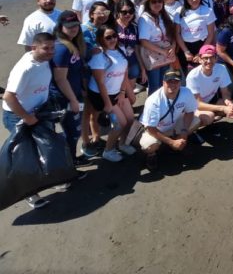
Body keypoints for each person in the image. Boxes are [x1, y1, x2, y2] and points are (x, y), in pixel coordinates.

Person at [2, 32, 57, 209]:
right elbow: (9, 97)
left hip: (39, 111)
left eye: (52, 48)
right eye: (46, 48)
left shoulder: (45, 60)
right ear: (34, 48)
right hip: (18, 115)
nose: (50, 52)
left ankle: (53, 179)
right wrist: (26, 117)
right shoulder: (25, 67)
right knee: (26, 156)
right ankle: (30, 194)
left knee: (46, 148)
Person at [86, 25, 135, 162]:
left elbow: (125, 73)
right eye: (108, 37)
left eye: (114, 35)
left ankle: (122, 144)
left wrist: (123, 92)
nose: (113, 39)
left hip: (118, 91)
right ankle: (108, 150)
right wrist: (107, 103)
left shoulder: (121, 49)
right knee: (120, 124)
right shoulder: (99, 56)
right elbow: (100, 83)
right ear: (101, 40)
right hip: (102, 95)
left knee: (130, 119)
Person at [139, 69, 201, 171]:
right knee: (148, 146)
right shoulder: (153, 100)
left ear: (180, 83)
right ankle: (152, 155)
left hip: (173, 123)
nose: (173, 84)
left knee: (196, 121)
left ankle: (179, 141)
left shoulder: (186, 92)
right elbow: (151, 128)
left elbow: (190, 112)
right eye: (169, 81)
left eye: (176, 81)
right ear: (163, 83)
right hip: (156, 129)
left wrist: (184, 133)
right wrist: (171, 142)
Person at [50, 11, 88, 164]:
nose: (73, 29)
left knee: (74, 131)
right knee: (71, 132)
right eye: (69, 26)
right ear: (60, 27)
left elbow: (76, 71)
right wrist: (72, 100)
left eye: (76, 25)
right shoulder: (61, 48)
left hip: (75, 93)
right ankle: (67, 164)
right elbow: (60, 79)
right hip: (64, 97)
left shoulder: (73, 43)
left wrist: (82, 90)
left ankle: (71, 159)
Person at [186, 45, 233, 126]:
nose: (209, 61)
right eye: (205, 58)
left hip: (211, 101)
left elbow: (225, 92)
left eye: (211, 57)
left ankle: (215, 113)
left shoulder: (221, 68)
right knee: (209, 117)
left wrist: (228, 102)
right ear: (200, 59)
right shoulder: (193, 76)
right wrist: (223, 108)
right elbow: (198, 104)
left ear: (216, 58)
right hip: (195, 107)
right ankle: (195, 122)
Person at [138, 0, 176, 94]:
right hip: (153, 56)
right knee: (155, 86)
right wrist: (163, 51)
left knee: (165, 83)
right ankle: (152, 109)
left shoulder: (163, 16)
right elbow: (143, 41)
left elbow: (172, 35)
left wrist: (173, 47)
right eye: (153, 2)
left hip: (165, 55)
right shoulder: (144, 19)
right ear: (148, 4)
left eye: (160, 1)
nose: (157, 4)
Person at [174, 0, 216, 72]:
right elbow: (177, 33)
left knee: (204, 72)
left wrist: (201, 52)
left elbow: (211, 34)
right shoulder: (179, 11)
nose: (194, 0)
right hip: (185, 46)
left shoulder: (207, 11)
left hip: (202, 45)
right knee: (188, 75)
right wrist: (186, 51)